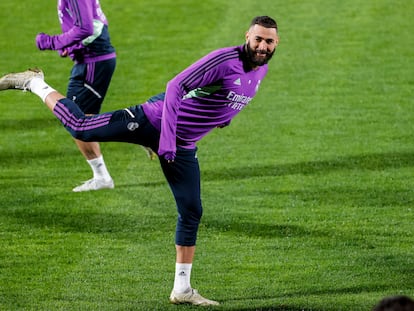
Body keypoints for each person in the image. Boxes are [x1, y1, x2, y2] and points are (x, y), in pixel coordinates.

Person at [0, 15, 279, 306]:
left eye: (268, 41)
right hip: (152, 122)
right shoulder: (224, 60)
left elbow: (225, 97)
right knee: (80, 127)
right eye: (258, 39)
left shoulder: (261, 69)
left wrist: (224, 118)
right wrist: (166, 141)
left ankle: (182, 290)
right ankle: (33, 83)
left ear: (276, 43)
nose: (262, 45)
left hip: (182, 144)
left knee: (191, 210)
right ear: (247, 36)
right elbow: (175, 87)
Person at [35, 0, 117, 192]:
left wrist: (53, 41)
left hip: (93, 63)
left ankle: (139, 131)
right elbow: (98, 22)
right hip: (92, 60)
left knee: (75, 120)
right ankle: (103, 175)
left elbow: (86, 27)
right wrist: (72, 45)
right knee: (83, 120)